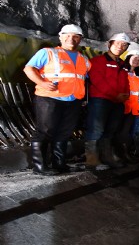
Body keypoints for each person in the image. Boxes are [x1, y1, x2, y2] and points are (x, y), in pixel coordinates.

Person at [23, 24, 91, 175]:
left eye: (76, 36)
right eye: (67, 35)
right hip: (49, 98)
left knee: (65, 132)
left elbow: (84, 78)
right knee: (45, 131)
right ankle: (39, 166)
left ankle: (59, 163)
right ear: (60, 37)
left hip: (73, 100)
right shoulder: (48, 53)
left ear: (80, 39)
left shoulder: (84, 60)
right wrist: (41, 82)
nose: (71, 39)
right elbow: (29, 68)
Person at [85, 32, 131, 169]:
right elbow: (98, 81)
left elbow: (125, 82)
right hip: (101, 100)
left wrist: (126, 94)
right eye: (117, 43)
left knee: (110, 130)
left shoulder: (123, 65)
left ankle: (107, 158)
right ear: (109, 44)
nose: (120, 47)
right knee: (96, 129)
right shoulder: (97, 61)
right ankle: (92, 160)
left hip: (117, 103)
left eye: (124, 45)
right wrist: (115, 95)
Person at [117, 49, 139, 164]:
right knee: (120, 132)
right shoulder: (121, 71)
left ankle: (125, 153)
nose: (137, 61)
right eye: (135, 58)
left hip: (133, 108)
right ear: (128, 57)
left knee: (128, 133)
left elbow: (138, 91)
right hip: (120, 106)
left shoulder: (138, 76)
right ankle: (120, 154)